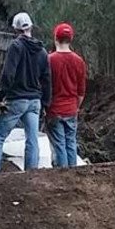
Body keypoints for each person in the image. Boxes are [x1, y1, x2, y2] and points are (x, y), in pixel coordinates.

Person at [0, 12, 51, 174]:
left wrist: (0, 95)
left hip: (17, 99)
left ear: (15, 29)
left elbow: (8, 74)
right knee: (32, 139)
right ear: (31, 27)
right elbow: (47, 79)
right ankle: (30, 174)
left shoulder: (16, 47)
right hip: (35, 101)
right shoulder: (42, 51)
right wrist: (45, 103)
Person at [46, 22, 87, 169]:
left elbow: (45, 87)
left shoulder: (49, 60)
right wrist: (75, 107)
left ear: (55, 38)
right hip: (71, 110)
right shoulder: (79, 61)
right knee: (71, 143)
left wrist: (45, 106)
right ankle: (73, 175)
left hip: (54, 110)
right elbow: (81, 91)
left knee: (59, 145)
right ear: (71, 39)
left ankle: (62, 177)